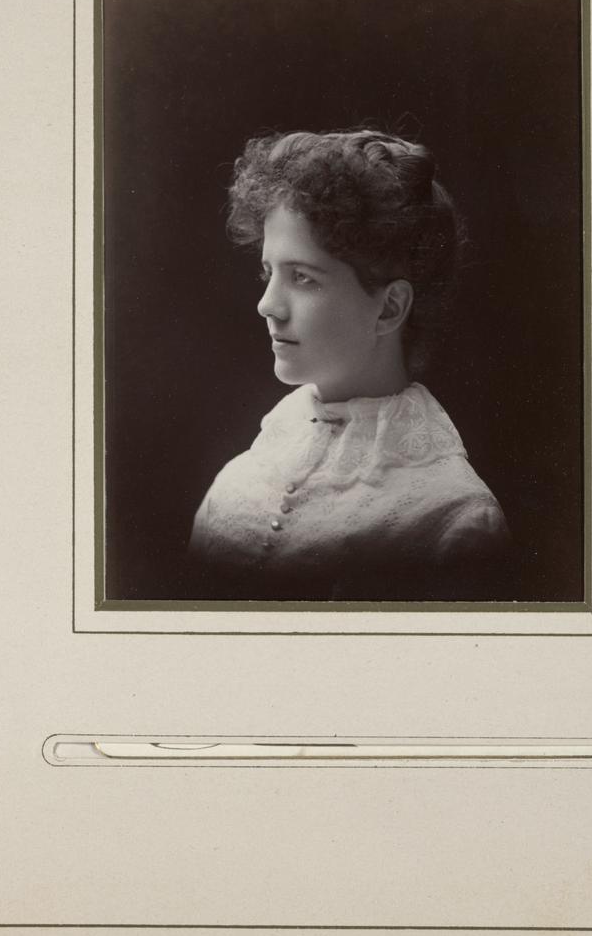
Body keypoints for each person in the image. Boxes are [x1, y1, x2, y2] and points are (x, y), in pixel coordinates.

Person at [188, 128, 509, 600]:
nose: (267, 304)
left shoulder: (453, 518)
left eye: (303, 277)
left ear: (389, 308)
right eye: (268, 272)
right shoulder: (240, 479)